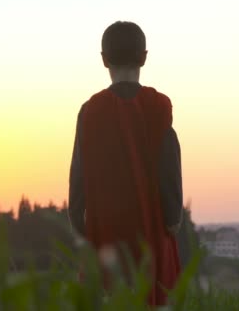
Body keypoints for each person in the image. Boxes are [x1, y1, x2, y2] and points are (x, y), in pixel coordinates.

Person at [68, 21, 183, 306]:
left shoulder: (90, 112)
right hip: (153, 243)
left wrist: (86, 227)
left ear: (104, 60)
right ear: (144, 57)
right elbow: (170, 174)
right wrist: (172, 222)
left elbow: (78, 180)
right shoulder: (159, 107)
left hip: (104, 243)